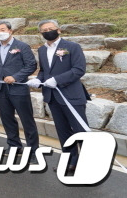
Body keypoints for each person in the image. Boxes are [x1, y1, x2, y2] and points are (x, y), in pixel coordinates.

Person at [27, 19, 89, 175]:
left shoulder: (72, 47)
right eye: (44, 30)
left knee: (80, 131)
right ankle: (70, 160)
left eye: (50, 28)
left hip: (71, 95)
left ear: (59, 30)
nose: (48, 31)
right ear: (41, 33)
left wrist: (57, 80)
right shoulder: (42, 50)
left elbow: (78, 69)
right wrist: (38, 79)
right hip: (53, 97)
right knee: (63, 131)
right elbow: (44, 71)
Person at [0, 21, 38, 160]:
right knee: (7, 119)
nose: (0, 32)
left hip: (18, 89)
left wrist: (16, 77)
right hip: (1, 89)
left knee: (27, 120)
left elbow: (31, 65)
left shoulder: (22, 46)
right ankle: (14, 145)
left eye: (3, 29)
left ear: (10, 31)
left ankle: (33, 151)